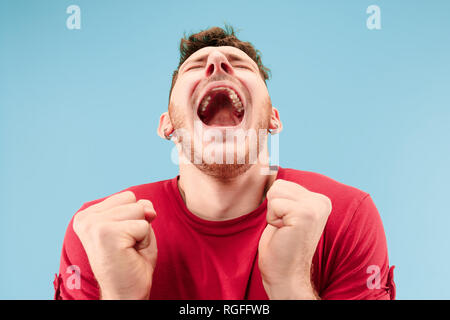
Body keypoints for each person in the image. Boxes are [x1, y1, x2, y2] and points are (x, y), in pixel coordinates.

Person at [54, 26, 395, 300]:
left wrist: (290, 286)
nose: (217, 65)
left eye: (240, 63)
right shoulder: (98, 233)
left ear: (273, 119)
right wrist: (120, 296)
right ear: (166, 125)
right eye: (194, 66)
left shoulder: (345, 215)